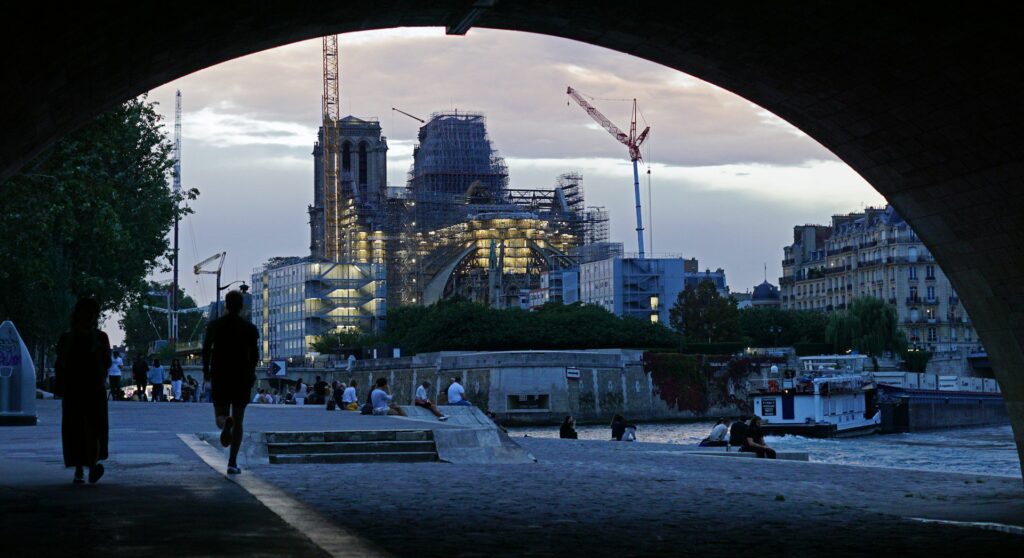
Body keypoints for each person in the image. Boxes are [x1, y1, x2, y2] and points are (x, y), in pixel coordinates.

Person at [54, 298, 111, 484]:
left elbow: (106, 362)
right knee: (77, 429)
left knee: (92, 428)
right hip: (78, 389)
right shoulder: (73, 338)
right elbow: (61, 364)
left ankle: (88, 466)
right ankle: (82, 467)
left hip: (89, 389)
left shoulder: (96, 338)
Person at [202, 289, 259, 475]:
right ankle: (232, 463)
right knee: (240, 420)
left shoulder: (215, 325)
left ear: (226, 305)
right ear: (241, 306)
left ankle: (225, 421)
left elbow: (206, 350)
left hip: (220, 373)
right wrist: (251, 373)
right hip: (242, 376)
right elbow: (254, 355)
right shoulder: (250, 329)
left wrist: (206, 371)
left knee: (220, 413)